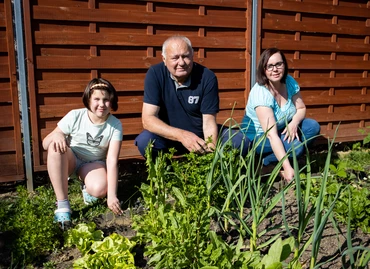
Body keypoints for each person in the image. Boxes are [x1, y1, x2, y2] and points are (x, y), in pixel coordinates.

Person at [135, 35, 248, 159]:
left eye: (185, 56)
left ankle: (219, 173)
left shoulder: (207, 77)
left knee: (241, 141)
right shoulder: (155, 74)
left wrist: (210, 154)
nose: (181, 63)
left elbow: (209, 122)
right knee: (145, 141)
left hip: (201, 135)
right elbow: (148, 119)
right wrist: (182, 135)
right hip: (168, 136)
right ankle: (167, 173)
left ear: (192, 55)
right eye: (175, 58)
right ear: (164, 59)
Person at [42, 78, 124, 227]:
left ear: (112, 101)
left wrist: (111, 196)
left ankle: (87, 187)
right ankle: (63, 205)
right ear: (88, 99)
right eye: (97, 99)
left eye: (106, 99)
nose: (101, 104)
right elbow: (45, 143)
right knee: (55, 145)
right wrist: (58, 135)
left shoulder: (115, 125)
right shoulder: (75, 116)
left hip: (93, 164)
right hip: (71, 159)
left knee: (100, 189)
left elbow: (112, 160)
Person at [241, 48, 320, 182]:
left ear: (284, 65)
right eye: (270, 66)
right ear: (263, 69)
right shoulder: (261, 94)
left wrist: (293, 123)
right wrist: (288, 168)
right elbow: (272, 136)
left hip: (282, 128)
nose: (275, 69)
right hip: (259, 137)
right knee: (295, 147)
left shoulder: (289, 81)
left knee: (312, 126)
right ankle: (265, 165)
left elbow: (301, 108)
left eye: (278, 64)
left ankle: (276, 160)